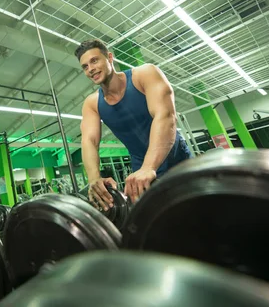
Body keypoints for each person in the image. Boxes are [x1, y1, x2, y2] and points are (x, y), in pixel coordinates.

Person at [75, 39, 192, 209]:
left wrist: (149, 167)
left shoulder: (144, 75)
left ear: (109, 57)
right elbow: (89, 141)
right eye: (85, 66)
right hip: (140, 168)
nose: (90, 68)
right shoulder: (92, 103)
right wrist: (94, 179)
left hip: (176, 160)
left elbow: (165, 116)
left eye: (94, 60)